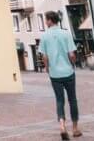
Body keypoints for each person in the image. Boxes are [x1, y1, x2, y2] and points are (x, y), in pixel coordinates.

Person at [38, 11, 81, 140]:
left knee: (59, 100)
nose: (45, 22)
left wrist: (47, 68)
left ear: (51, 20)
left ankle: (62, 126)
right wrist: (72, 64)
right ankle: (75, 128)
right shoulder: (66, 33)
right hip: (68, 72)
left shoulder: (44, 36)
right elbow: (72, 54)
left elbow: (44, 57)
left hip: (55, 74)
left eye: (46, 20)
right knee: (72, 100)